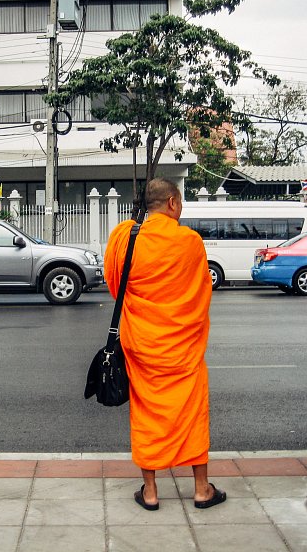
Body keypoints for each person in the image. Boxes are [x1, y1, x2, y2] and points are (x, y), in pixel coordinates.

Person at [104, 178, 226, 512]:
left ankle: (151, 491)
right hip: (183, 346)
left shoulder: (125, 236)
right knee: (191, 412)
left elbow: (116, 286)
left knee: (146, 413)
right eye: (181, 203)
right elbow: (202, 292)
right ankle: (202, 489)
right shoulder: (190, 241)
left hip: (142, 344)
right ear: (172, 203)